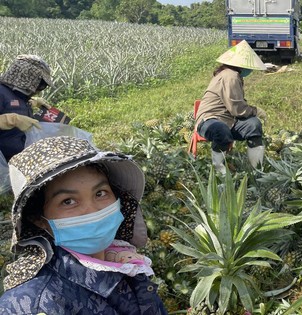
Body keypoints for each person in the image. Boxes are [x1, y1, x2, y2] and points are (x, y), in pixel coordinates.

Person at [0, 136, 167, 314]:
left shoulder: (123, 259)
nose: (92, 210)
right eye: (68, 201)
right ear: (38, 219)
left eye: (100, 193)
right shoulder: (36, 304)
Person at [195, 40, 268, 174]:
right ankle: (218, 169)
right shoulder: (230, 76)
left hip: (229, 120)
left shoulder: (233, 75)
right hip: (209, 120)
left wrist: (253, 114)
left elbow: (235, 109)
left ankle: (256, 170)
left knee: (253, 125)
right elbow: (237, 109)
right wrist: (256, 111)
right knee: (221, 130)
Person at [0, 54, 53, 161]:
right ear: (27, 77)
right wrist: (12, 120)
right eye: (40, 85)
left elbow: (12, 104)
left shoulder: (17, 95)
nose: (38, 89)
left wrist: (32, 102)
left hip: (20, 159)